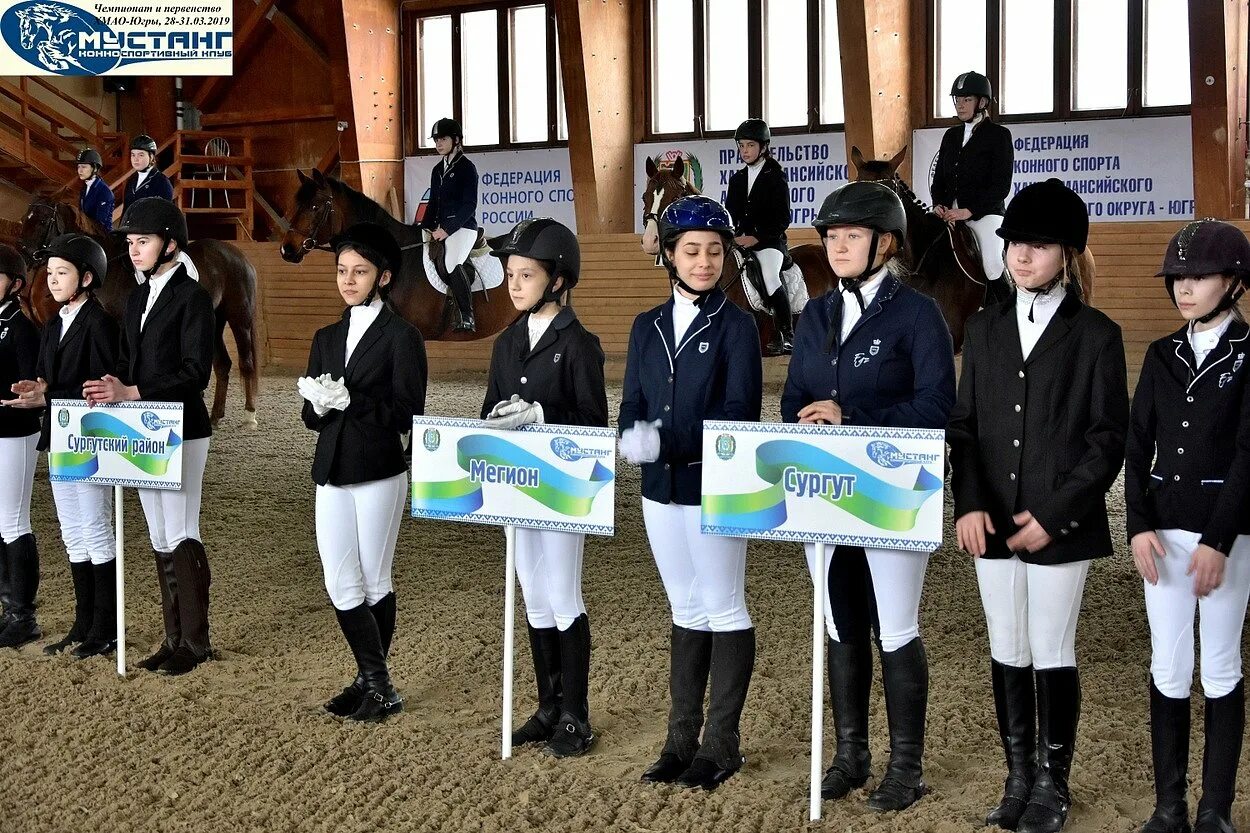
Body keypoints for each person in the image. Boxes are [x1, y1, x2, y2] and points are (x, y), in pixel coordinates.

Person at [947, 178, 1129, 833]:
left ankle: (1054, 783)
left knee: (1051, 646)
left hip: (1062, 524)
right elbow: (964, 426)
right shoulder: (984, 327)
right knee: (1007, 645)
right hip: (990, 519)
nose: (1023, 256)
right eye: (1016, 243)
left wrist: (1055, 514)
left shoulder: (1098, 335)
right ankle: (1018, 773)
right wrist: (967, 503)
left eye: (1040, 245)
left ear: (1067, 253)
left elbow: (1108, 439)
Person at [780, 181, 957, 813]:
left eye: (852, 236)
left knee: (897, 628)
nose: (838, 247)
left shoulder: (918, 315)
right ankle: (851, 754)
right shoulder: (817, 315)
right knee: (840, 622)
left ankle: (905, 766)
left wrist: (851, 414)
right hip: (825, 494)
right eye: (830, 236)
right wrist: (800, 421)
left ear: (885, 243)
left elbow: (939, 405)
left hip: (891, 494)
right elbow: (793, 394)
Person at [619, 194, 762, 791]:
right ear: (671, 257)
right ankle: (681, 739)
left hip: (713, 489)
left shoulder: (738, 327)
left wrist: (669, 442)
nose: (703, 262)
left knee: (724, 605)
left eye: (713, 251)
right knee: (684, 607)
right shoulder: (645, 326)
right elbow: (632, 403)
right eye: (691, 251)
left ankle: (721, 744)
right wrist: (632, 438)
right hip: (660, 490)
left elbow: (739, 416)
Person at [1125, 219, 1250, 833]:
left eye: (1198, 277)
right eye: (1178, 277)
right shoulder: (1159, 354)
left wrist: (1219, 542)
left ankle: (1214, 810)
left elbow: (1249, 454)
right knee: (1168, 666)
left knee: (1221, 665)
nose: (1184, 288)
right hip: (1164, 535)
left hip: (1227, 537)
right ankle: (1169, 804)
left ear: (1233, 283)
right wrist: (1138, 526)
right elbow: (1136, 443)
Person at [480, 218, 607, 756]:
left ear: (556, 281)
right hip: (517, 489)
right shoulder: (508, 340)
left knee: (561, 596)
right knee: (533, 598)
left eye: (525, 275)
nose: (513, 285)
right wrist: (499, 416)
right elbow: (489, 407)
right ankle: (548, 705)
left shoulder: (579, 343)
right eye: (510, 274)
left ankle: (576, 714)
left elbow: (595, 423)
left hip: (561, 489)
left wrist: (542, 414)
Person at [298, 222, 427, 722]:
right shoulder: (325, 337)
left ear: (384, 277)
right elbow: (311, 418)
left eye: (360, 271)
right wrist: (320, 405)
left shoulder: (402, 337)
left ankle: (373, 683)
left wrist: (354, 401)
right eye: (342, 271)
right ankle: (376, 681)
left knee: (374, 580)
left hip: (378, 470)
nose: (348, 280)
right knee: (340, 582)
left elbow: (407, 412)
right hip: (331, 468)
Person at [82, 198, 214, 676]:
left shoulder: (194, 298)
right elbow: (125, 361)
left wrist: (133, 389)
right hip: (141, 429)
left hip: (183, 427)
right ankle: (172, 636)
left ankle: (196, 642)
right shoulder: (136, 298)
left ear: (171, 244)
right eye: (131, 243)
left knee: (180, 529)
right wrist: (108, 386)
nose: (134, 250)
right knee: (158, 533)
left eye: (143, 241)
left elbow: (197, 371)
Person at [3, 235, 119, 658]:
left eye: (62, 273)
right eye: (49, 273)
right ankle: (82, 623)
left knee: (95, 529)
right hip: (58, 436)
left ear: (86, 278)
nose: (52, 281)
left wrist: (48, 396)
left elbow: (100, 385)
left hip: (89, 436)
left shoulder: (100, 323)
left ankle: (105, 628)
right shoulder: (52, 324)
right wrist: (37, 390)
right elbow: (48, 379)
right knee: (72, 534)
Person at [930, 71, 1014, 306]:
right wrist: (938, 204)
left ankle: (1008, 315)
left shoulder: (998, 136)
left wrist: (969, 211)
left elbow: (1001, 186)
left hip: (984, 215)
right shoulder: (950, 136)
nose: (960, 105)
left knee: (992, 264)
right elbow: (938, 180)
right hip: (948, 215)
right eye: (957, 100)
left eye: (966, 100)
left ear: (982, 102)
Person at [0, 244, 42, 649]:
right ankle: (6, 607)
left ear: (13, 284)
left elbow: (33, 383)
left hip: (14, 429)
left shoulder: (22, 327)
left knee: (13, 521)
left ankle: (22, 615)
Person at [724, 118, 794, 355]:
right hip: (740, 242)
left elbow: (783, 218)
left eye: (750, 146)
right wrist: (731, 234)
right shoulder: (736, 180)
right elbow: (731, 215)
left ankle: (786, 333)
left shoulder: (775, 177)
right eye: (741, 146)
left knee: (770, 276)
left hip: (769, 243)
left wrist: (756, 238)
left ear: (763, 147)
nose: (745, 151)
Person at [419, 118, 479, 333]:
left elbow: (469, 205)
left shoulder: (466, 168)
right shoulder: (437, 170)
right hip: (439, 228)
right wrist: (424, 227)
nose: (438, 144)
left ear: (455, 140)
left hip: (463, 228)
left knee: (452, 262)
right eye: (436, 140)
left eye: (442, 139)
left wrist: (448, 229)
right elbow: (433, 202)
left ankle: (467, 314)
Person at [121, 134, 174, 213]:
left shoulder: (162, 182)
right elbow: (125, 212)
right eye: (133, 155)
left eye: (141, 155)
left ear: (151, 157)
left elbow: (164, 215)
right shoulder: (131, 181)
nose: (136, 159)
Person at [76, 148, 114, 232]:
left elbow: (100, 222)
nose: (80, 170)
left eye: (84, 167)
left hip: (102, 236)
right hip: (86, 233)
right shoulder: (84, 189)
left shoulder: (104, 191)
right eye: (78, 167)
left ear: (95, 169)